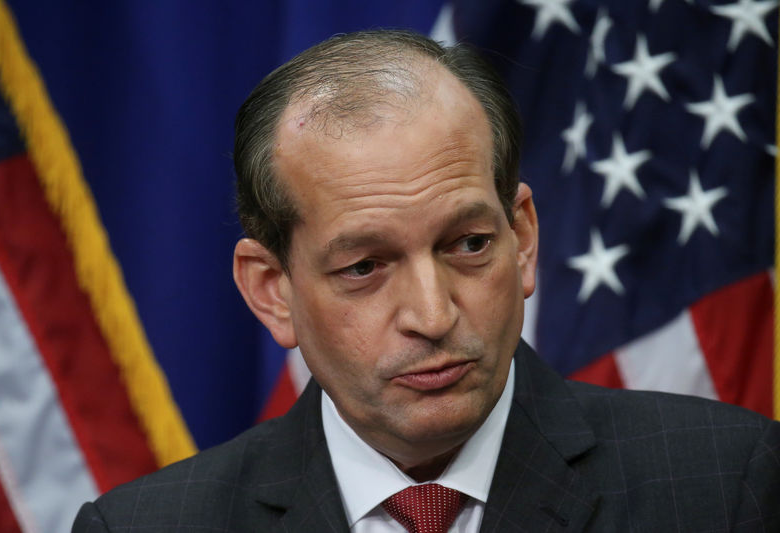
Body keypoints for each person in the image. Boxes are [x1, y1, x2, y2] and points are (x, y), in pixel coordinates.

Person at [73, 29, 780, 532]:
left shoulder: (729, 485)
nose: (434, 313)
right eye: (364, 266)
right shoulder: (146, 524)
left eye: (469, 243)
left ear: (523, 238)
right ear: (272, 289)